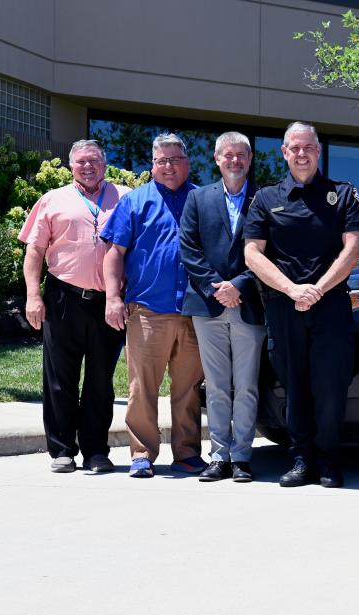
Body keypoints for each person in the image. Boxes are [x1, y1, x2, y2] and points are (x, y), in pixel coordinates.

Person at [244, 122, 359, 488]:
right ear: (284, 152)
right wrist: (292, 290)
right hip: (284, 308)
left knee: (330, 386)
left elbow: (355, 246)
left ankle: (329, 461)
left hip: (330, 308)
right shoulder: (265, 198)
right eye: (294, 148)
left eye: (308, 147)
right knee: (294, 386)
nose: (301, 154)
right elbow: (252, 254)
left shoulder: (342, 194)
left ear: (318, 150)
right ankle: (300, 460)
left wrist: (318, 289)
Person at [17, 140, 131, 473]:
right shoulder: (52, 200)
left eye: (94, 161)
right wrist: (32, 296)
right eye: (81, 162)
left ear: (104, 164)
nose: (88, 167)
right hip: (62, 298)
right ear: (71, 166)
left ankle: (96, 450)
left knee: (100, 380)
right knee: (59, 378)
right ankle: (62, 449)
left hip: (107, 302)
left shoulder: (124, 197)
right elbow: (35, 252)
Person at [101, 133, 205, 478]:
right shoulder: (135, 201)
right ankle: (142, 452)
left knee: (188, 389)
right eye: (162, 160)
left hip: (193, 311)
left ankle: (187, 453)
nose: (169, 166)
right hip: (147, 309)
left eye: (175, 159)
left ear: (187, 163)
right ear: (152, 164)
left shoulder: (202, 199)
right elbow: (114, 253)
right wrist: (113, 297)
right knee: (142, 387)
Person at [179, 132, 264, 483]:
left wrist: (239, 285)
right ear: (217, 159)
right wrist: (217, 288)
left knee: (246, 384)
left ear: (249, 159)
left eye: (241, 155)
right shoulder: (198, 198)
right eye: (228, 155)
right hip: (208, 304)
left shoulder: (264, 198)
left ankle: (242, 456)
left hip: (249, 302)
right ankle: (218, 456)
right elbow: (188, 248)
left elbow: (269, 250)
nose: (235, 161)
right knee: (215, 385)